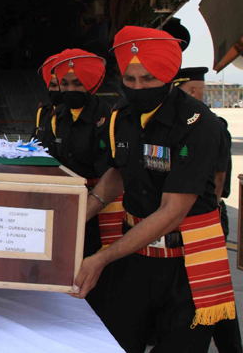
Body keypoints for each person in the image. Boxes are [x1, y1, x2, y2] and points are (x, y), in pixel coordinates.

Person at [72, 26, 233, 352]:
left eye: (148, 79)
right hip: (135, 256)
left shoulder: (198, 124)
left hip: (187, 263)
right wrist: (77, 216)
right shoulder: (122, 114)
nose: (137, 88)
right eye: (130, 80)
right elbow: (118, 172)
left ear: (169, 74)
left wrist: (101, 257)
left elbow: (173, 211)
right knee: (114, 341)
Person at [174, 66, 242, 353]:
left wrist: (207, 220)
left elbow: (218, 180)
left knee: (210, 291)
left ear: (189, 91)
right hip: (193, 217)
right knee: (205, 291)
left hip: (204, 220)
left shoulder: (210, 124)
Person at [49, 49, 111, 258]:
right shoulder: (57, 116)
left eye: (77, 83)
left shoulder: (107, 117)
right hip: (65, 200)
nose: (70, 89)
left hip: (101, 203)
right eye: (64, 84)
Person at [32, 52, 61, 151]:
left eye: (60, 85)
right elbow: (34, 143)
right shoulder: (43, 112)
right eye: (52, 85)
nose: (56, 90)